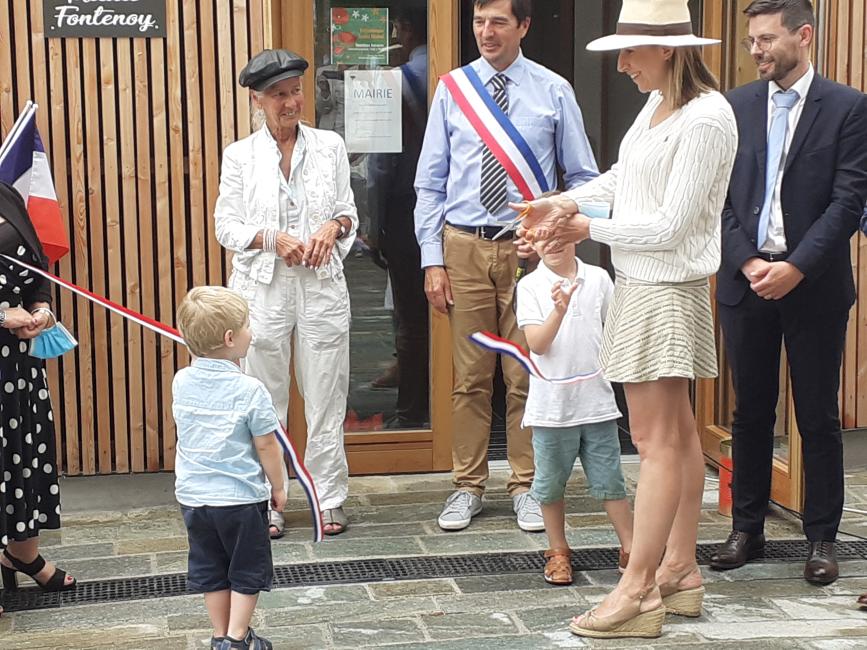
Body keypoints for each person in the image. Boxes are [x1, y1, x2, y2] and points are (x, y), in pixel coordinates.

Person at [514, 0, 736, 638]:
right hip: (648, 285)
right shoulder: (662, 103)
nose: (622, 66)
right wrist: (561, 202)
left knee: (656, 441)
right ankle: (679, 570)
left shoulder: (706, 116)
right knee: (678, 436)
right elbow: (621, 179)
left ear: (666, 48)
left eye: (629, 53)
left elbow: (671, 226)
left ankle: (637, 589)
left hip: (664, 288)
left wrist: (584, 227)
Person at [414, 0, 598, 532]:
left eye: (498, 22)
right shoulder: (453, 89)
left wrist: (553, 230)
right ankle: (467, 485)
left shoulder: (553, 90)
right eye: (479, 22)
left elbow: (584, 178)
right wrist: (431, 260)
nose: (486, 32)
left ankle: (527, 485)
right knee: (471, 375)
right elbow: (430, 182)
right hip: (464, 246)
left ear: (524, 26)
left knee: (525, 372)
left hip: (529, 251)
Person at [711, 0, 867, 586]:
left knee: (818, 415)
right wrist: (749, 261)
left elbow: (848, 202)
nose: (756, 50)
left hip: (814, 285)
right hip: (747, 281)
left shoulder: (848, 107)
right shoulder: (733, 107)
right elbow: (719, 198)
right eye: (751, 40)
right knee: (750, 412)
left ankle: (822, 538)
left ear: (804, 36)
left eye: (767, 39)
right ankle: (745, 529)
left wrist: (796, 267)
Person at [214, 49, 359, 537]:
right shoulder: (240, 155)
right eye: (278, 95)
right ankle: (269, 499)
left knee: (326, 394)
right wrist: (271, 238)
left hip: (321, 286)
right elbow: (226, 225)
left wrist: (331, 229)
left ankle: (327, 496)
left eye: (295, 91)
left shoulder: (330, 146)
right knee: (264, 398)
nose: (291, 102)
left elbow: (348, 212)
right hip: (263, 289)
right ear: (257, 100)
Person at [173, 286, 285, 650]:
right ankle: (238, 639)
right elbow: (266, 444)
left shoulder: (181, 381)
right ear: (229, 338)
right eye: (247, 325)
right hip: (239, 499)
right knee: (246, 569)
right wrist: (278, 486)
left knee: (212, 569)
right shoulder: (250, 390)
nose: (251, 331)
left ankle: (220, 635)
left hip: (195, 499)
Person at [516, 238, 633, 586]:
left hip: (597, 404)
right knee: (550, 485)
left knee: (611, 482)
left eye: (560, 235)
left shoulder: (598, 278)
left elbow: (615, 330)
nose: (553, 244)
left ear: (577, 236)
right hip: (551, 409)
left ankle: (631, 549)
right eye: (544, 237)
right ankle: (557, 551)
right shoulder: (529, 285)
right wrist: (559, 310)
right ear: (531, 241)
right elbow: (537, 344)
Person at [0, 182, 76, 617]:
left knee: (22, 456)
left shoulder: (6, 194)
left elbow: (36, 269)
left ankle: (21, 555)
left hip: (18, 366)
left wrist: (41, 309)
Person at [367, 7, 430, 428]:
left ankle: (411, 412)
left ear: (405, 30)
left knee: (410, 315)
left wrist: (374, 227)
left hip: (405, 207)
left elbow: (379, 167)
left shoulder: (392, 82)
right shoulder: (455, 77)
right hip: (449, 211)